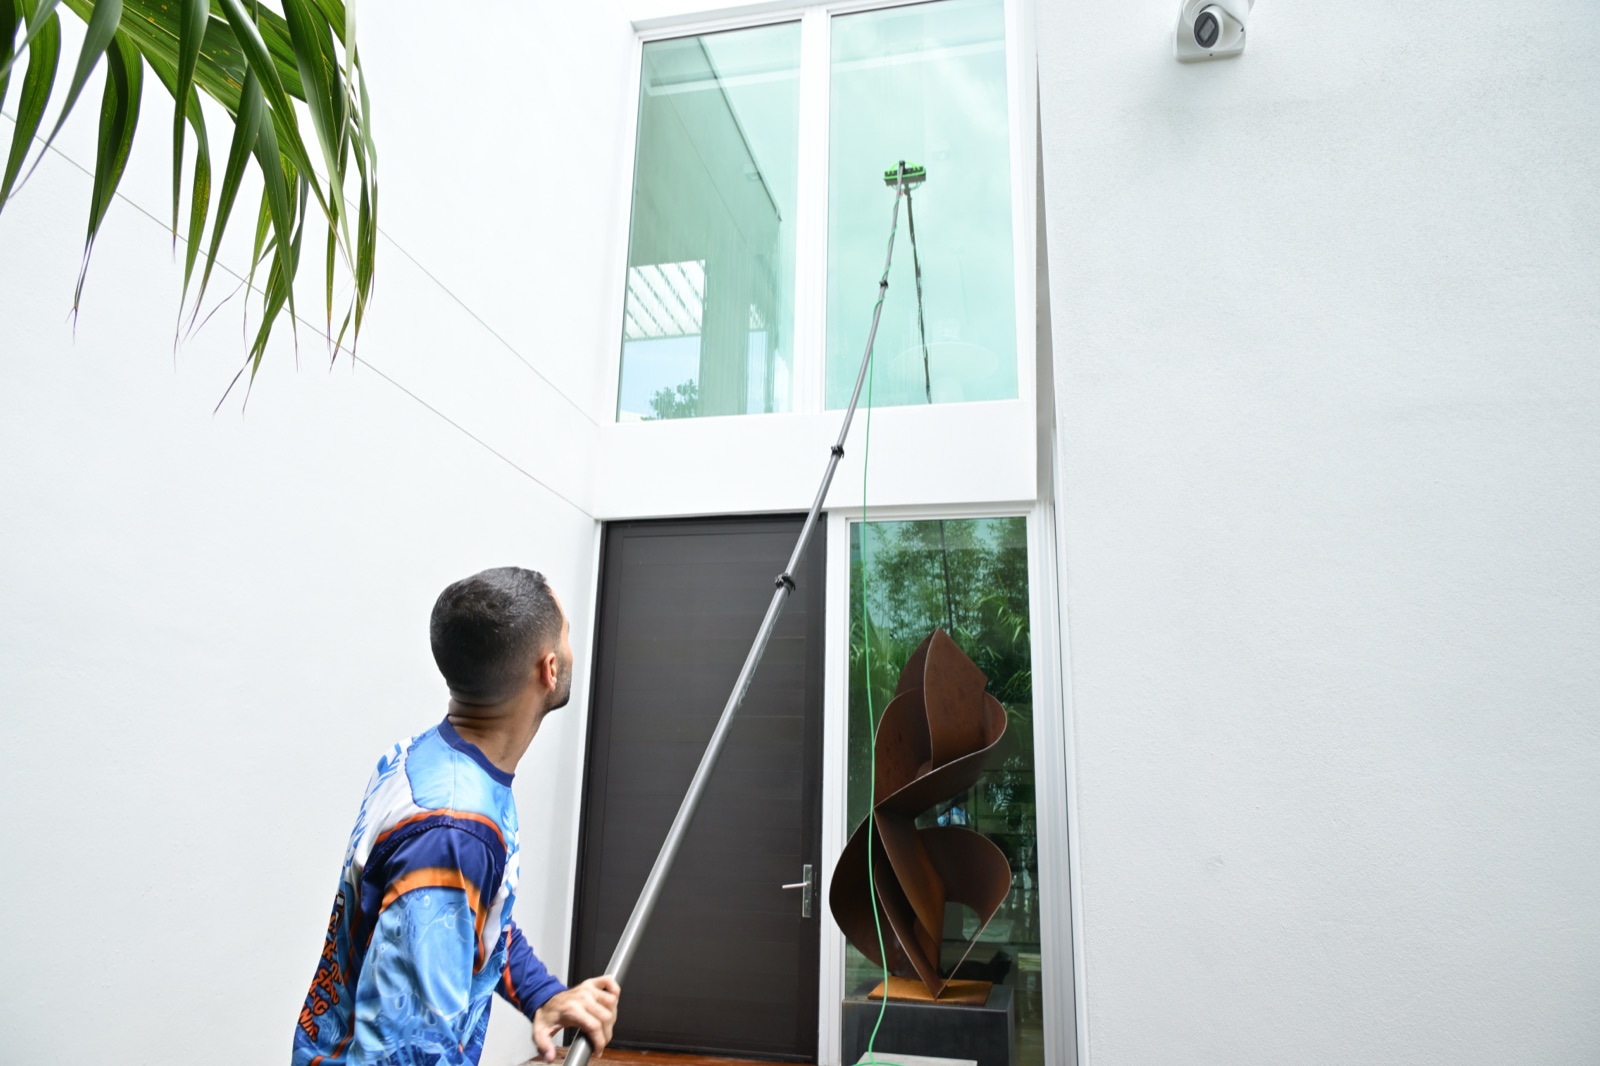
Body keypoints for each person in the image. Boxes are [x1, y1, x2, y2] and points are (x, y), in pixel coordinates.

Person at [292, 567, 620, 1065]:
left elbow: (477, 918)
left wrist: (543, 995)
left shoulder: (430, 759)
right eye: (568, 636)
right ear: (549, 668)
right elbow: (402, 1056)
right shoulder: (454, 832)